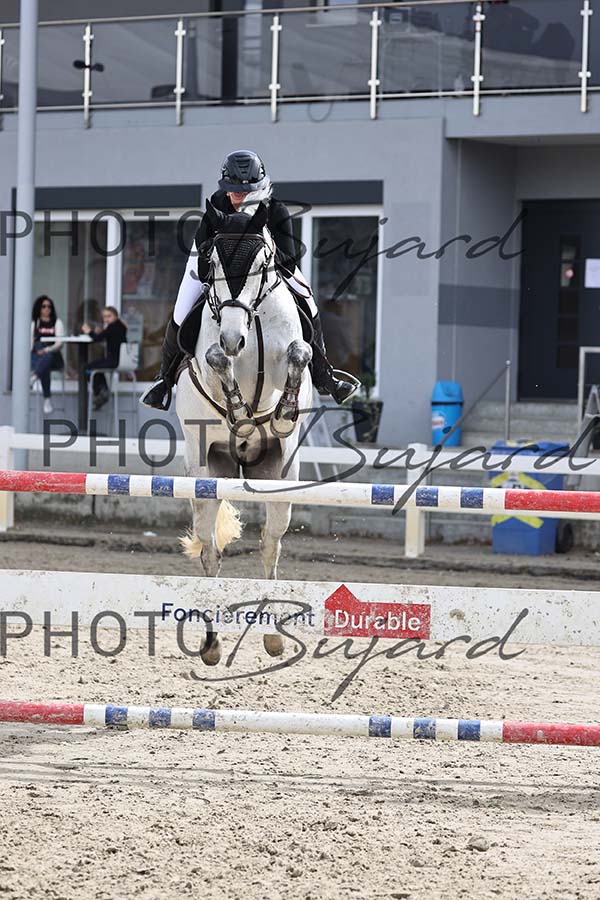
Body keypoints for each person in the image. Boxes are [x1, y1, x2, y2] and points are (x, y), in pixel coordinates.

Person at [141, 149, 360, 411]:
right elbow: (202, 249)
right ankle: (164, 379)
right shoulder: (217, 205)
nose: (239, 196)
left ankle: (325, 375)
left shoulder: (275, 210)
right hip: (214, 265)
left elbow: (289, 259)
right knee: (181, 309)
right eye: (234, 190)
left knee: (308, 299)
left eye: (246, 191)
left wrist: (264, 250)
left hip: (267, 268)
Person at [81, 306, 128, 410]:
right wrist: (102, 331)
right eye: (104, 317)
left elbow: (97, 338)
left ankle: (100, 392)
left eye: (109, 316)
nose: (106, 319)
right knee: (95, 367)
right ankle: (103, 391)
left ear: (116, 316)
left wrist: (88, 331)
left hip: (114, 360)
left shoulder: (112, 327)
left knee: (87, 368)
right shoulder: (120, 327)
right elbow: (107, 337)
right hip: (119, 359)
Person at [30, 295, 65, 415]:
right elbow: (30, 343)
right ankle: (47, 399)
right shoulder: (35, 323)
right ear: (39, 308)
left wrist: (46, 350)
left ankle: (35, 376)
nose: (47, 309)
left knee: (48, 357)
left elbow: (59, 343)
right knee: (44, 364)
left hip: (54, 356)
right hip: (37, 356)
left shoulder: (57, 322)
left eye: (49, 306)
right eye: (44, 306)